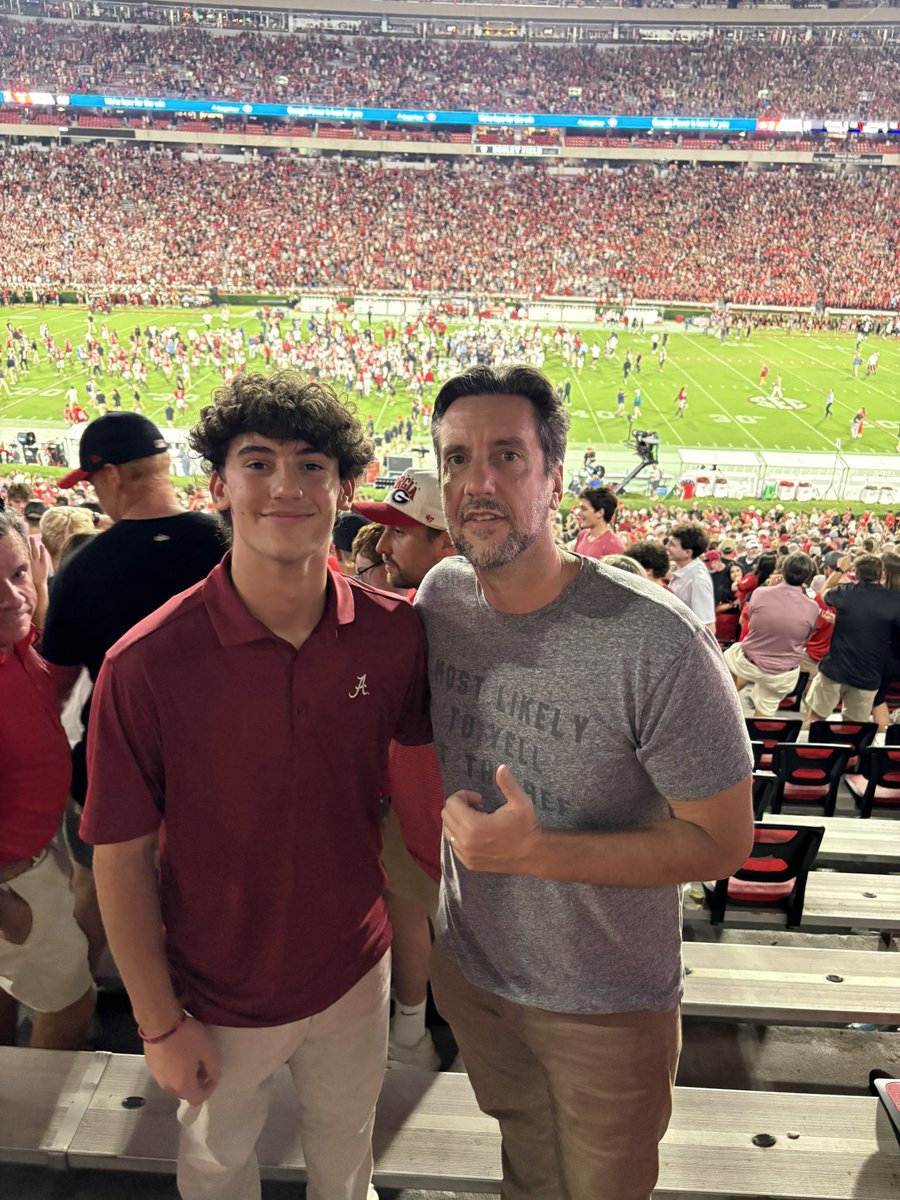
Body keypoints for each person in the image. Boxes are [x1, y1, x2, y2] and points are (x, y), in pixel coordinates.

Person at [81, 371, 432, 1200]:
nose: (286, 486)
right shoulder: (147, 663)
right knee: (214, 1169)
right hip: (216, 989)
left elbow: (419, 789)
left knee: (346, 1161)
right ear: (218, 483)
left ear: (344, 489)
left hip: (355, 965)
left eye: (312, 466)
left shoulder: (393, 635)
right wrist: (159, 1022)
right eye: (259, 462)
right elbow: (120, 860)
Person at [415, 364, 753, 1200]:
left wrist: (536, 854)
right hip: (474, 970)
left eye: (506, 457)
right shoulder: (442, 596)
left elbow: (723, 841)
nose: (477, 482)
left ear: (554, 479)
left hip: (604, 999)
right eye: (457, 459)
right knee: (526, 1166)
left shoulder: (655, 641)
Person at [40, 413, 226, 967]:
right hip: (220, 766)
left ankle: (90, 986)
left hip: (117, 765)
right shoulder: (230, 546)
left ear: (114, 476)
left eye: (95, 482)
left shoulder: (81, 568)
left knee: (96, 886)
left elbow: (53, 686)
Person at [353, 471, 457, 1069]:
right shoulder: (430, 608)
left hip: (439, 814)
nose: (384, 545)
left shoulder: (426, 615)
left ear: (446, 541)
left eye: (400, 531)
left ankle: (419, 1036)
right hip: (422, 809)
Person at [0, 510, 94, 1050]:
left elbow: (42, 655)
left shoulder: (16, 644)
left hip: (35, 863)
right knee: (71, 1003)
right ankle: (39, 1128)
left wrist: (39, 588)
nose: (14, 597)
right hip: (13, 884)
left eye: (16, 574)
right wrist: (10, 912)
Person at [806, 553, 900, 724]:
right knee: (854, 728)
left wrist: (840, 569)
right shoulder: (895, 601)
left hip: (835, 670)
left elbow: (823, 593)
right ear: (881, 574)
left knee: (814, 719)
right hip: (868, 674)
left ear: (855, 573)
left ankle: (802, 749)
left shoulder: (845, 593)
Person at [722, 552, 819, 716]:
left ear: (781, 571)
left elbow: (750, 621)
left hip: (749, 662)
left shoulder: (760, 593)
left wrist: (771, 588)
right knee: (764, 714)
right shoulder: (812, 607)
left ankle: (725, 698)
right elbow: (805, 638)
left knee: (730, 654)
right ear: (807, 577)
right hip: (782, 673)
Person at [667, 522, 716, 635]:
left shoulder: (698, 580)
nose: (667, 547)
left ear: (688, 552)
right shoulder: (678, 568)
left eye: (672, 545)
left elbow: (707, 628)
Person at [569, 486, 625, 560]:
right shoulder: (582, 535)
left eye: (584, 509)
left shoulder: (614, 546)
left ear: (600, 512)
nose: (579, 513)